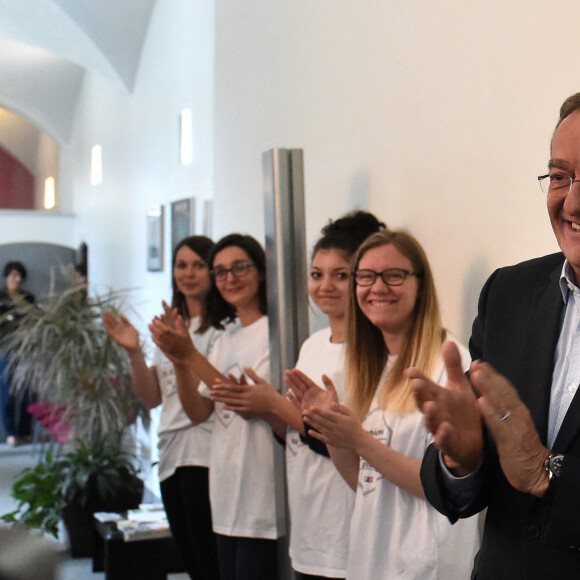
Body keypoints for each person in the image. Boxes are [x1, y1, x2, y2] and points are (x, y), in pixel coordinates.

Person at [409, 92, 580, 579]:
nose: (572, 202)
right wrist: (462, 458)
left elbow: (532, 465)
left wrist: (547, 473)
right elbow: (474, 480)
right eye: (561, 176)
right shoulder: (509, 293)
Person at [289, 230, 479, 580]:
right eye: (365, 276)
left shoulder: (446, 365)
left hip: (425, 567)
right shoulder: (360, 371)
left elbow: (443, 488)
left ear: (420, 285)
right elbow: (364, 483)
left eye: (393, 276)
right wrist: (332, 431)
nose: (377, 288)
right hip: (369, 559)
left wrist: (359, 439)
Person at [210, 211, 385, 580]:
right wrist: (261, 408)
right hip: (308, 520)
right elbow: (296, 433)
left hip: (345, 522)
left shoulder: (369, 351)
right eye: (317, 274)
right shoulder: (312, 345)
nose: (325, 286)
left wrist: (273, 404)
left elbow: (342, 440)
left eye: (341, 275)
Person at [149, 233, 285, 580]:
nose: (230, 278)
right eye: (221, 271)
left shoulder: (277, 333)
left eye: (240, 267)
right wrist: (181, 361)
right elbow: (199, 412)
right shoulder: (227, 336)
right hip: (225, 496)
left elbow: (244, 401)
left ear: (262, 272)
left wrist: (189, 353)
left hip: (261, 499)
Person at [103, 235, 220, 580]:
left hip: (206, 451)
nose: (189, 273)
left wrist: (185, 355)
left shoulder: (222, 329)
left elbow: (207, 403)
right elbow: (153, 397)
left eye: (199, 265)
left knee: (209, 555)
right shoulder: (169, 324)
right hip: (171, 452)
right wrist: (134, 352)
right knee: (190, 557)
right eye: (181, 265)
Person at [0, 261, 35, 446]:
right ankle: (10, 432)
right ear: (6, 277)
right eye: (13, 275)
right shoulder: (1, 297)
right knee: (7, 391)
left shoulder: (28, 298)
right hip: (6, 348)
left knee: (29, 391)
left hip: (26, 348)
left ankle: (25, 431)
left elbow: (36, 319)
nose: (17, 279)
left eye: (19, 276)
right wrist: (10, 316)